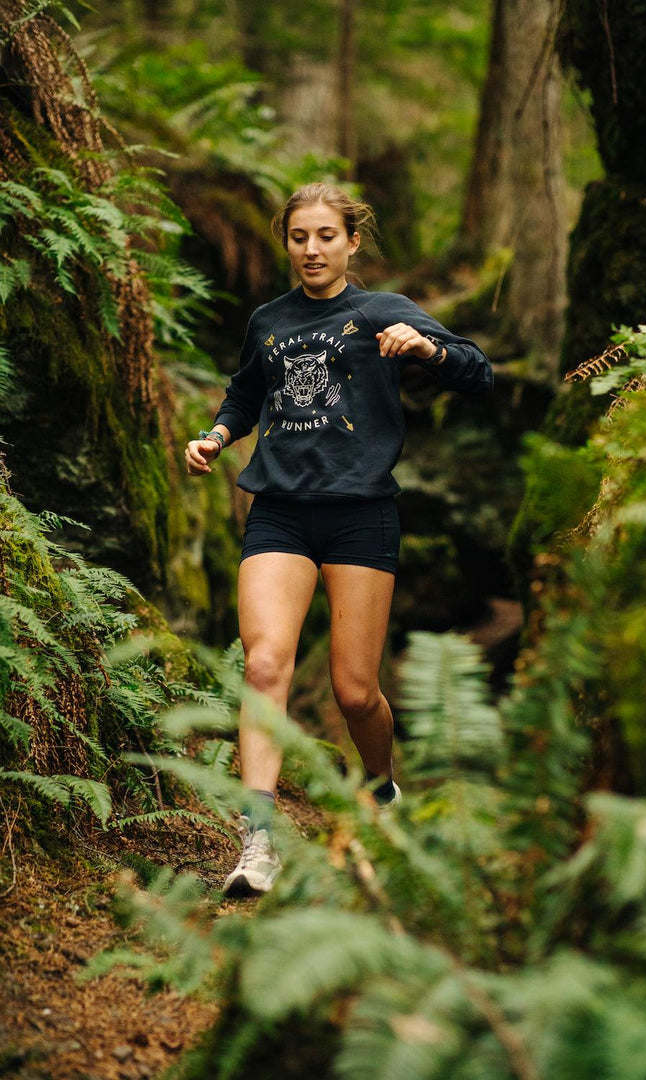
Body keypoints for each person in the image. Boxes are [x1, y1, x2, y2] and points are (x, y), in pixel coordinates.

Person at [185, 182, 492, 897]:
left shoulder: (382, 310)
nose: (312, 249)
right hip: (280, 512)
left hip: (360, 513)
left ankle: (381, 789)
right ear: (286, 243)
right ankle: (256, 839)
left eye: (326, 236)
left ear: (352, 242)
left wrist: (428, 348)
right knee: (265, 666)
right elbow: (246, 391)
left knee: (356, 692)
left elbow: (478, 367)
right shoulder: (268, 319)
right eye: (300, 237)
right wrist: (218, 434)